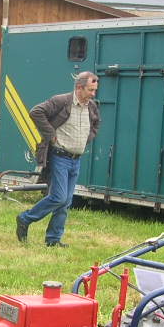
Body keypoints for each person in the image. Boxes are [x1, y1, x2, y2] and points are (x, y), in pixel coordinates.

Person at [15, 71, 100, 247]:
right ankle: (25, 218)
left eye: (95, 90)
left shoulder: (91, 106)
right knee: (59, 197)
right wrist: (51, 134)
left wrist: (87, 138)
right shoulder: (61, 101)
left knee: (66, 202)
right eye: (90, 90)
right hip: (59, 156)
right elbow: (36, 112)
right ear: (79, 87)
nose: (93, 94)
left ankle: (53, 240)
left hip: (76, 159)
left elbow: (96, 124)